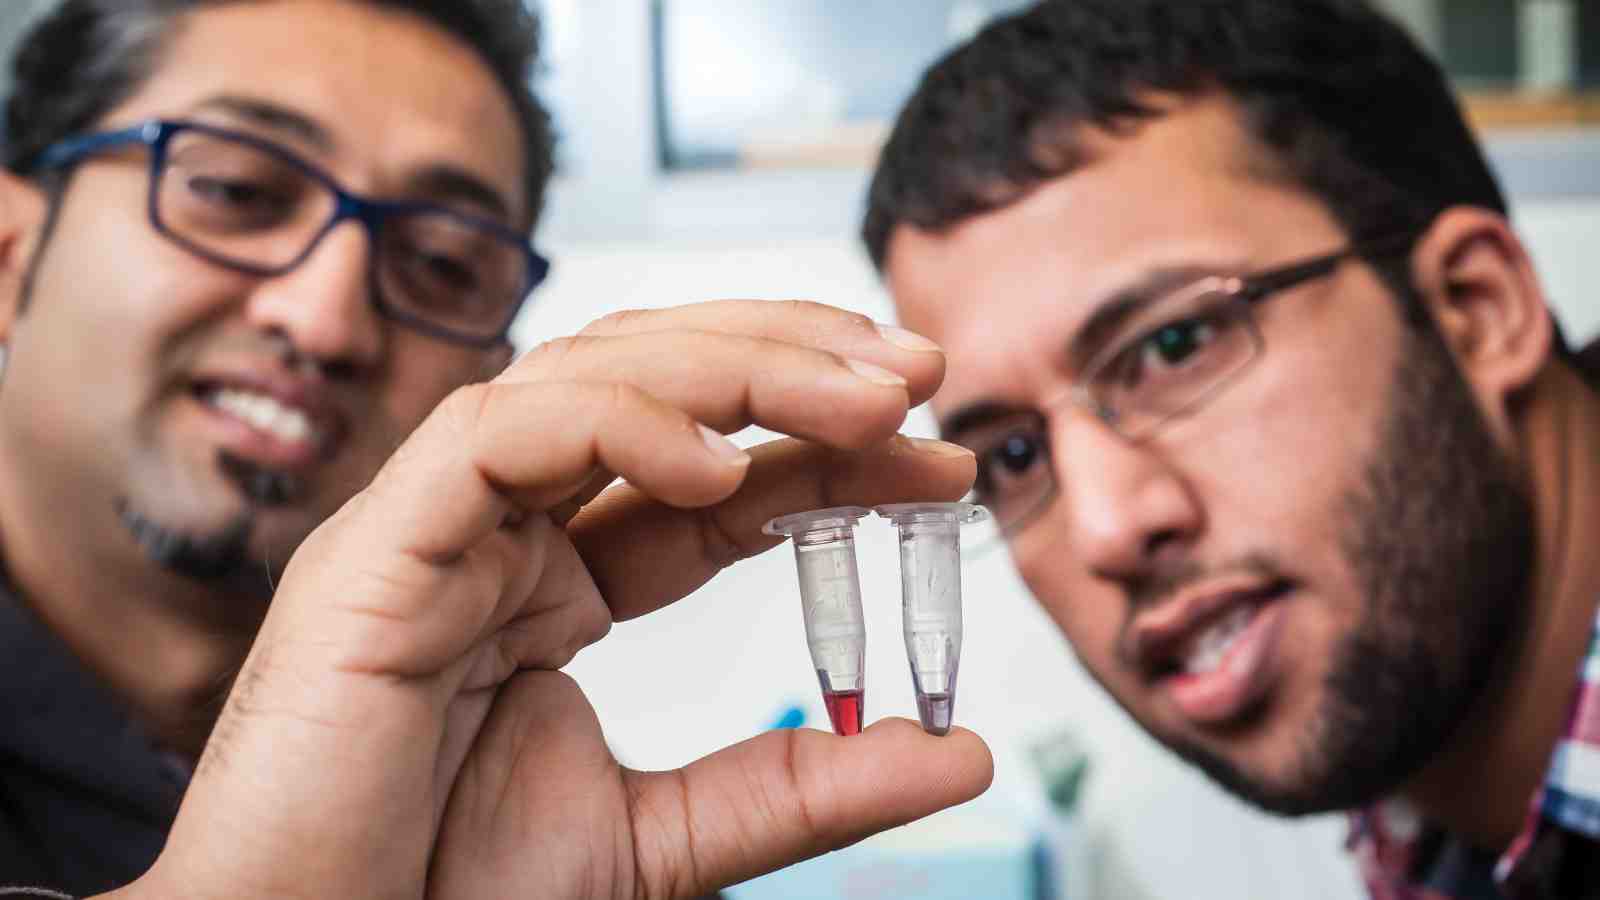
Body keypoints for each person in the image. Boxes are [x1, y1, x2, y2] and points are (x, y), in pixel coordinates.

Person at [0, 0, 994, 896]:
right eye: (235, 189)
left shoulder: (532, 820)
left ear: (489, 371)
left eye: (441, 262)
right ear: (11, 252)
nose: (326, 318)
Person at [868, 0, 1600, 897]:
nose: (1105, 529)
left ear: (1476, 310)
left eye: (1174, 347)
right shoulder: (1438, 818)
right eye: (1015, 458)